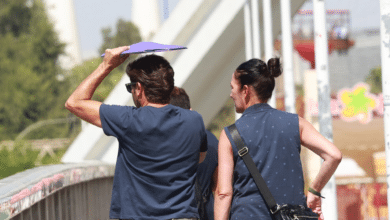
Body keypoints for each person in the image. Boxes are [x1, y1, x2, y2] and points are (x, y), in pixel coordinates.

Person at [65, 46, 207, 220]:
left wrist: (107, 66)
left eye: (130, 87)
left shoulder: (128, 120)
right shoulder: (194, 120)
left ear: (138, 88)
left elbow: (74, 102)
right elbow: (200, 157)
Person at [214, 58, 342, 220]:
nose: (231, 94)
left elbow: (224, 193)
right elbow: (334, 155)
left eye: (233, 88)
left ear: (245, 90)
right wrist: (314, 191)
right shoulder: (296, 123)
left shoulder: (230, 134)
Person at [170, 87, 218, 220]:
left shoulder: (161, 144)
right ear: (190, 111)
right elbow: (218, 186)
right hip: (205, 213)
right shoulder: (212, 140)